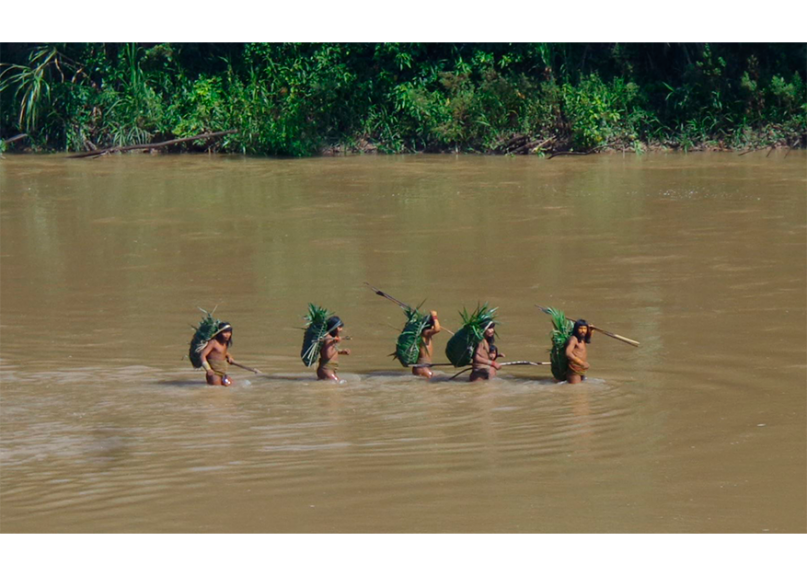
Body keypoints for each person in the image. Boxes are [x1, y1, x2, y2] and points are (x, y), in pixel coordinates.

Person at [200, 322, 235, 387]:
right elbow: (202, 355)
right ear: (219, 333)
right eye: (225, 332)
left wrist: (229, 356)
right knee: (217, 390)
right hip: (214, 373)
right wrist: (208, 369)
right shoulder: (213, 343)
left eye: (229, 332)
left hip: (223, 373)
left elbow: (222, 352)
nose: (227, 335)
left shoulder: (225, 343)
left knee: (231, 385)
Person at [318, 316, 351, 382]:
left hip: (328, 370)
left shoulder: (330, 338)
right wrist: (337, 342)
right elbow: (328, 355)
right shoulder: (328, 338)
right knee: (339, 385)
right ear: (334, 328)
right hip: (327, 370)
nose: (341, 330)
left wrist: (341, 351)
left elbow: (328, 351)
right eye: (340, 327)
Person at [413, 311, 443, 379]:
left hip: (423, 366)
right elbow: (437, 329)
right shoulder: (425, 333)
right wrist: (434, 316)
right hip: (422, 367)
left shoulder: (423, 334)